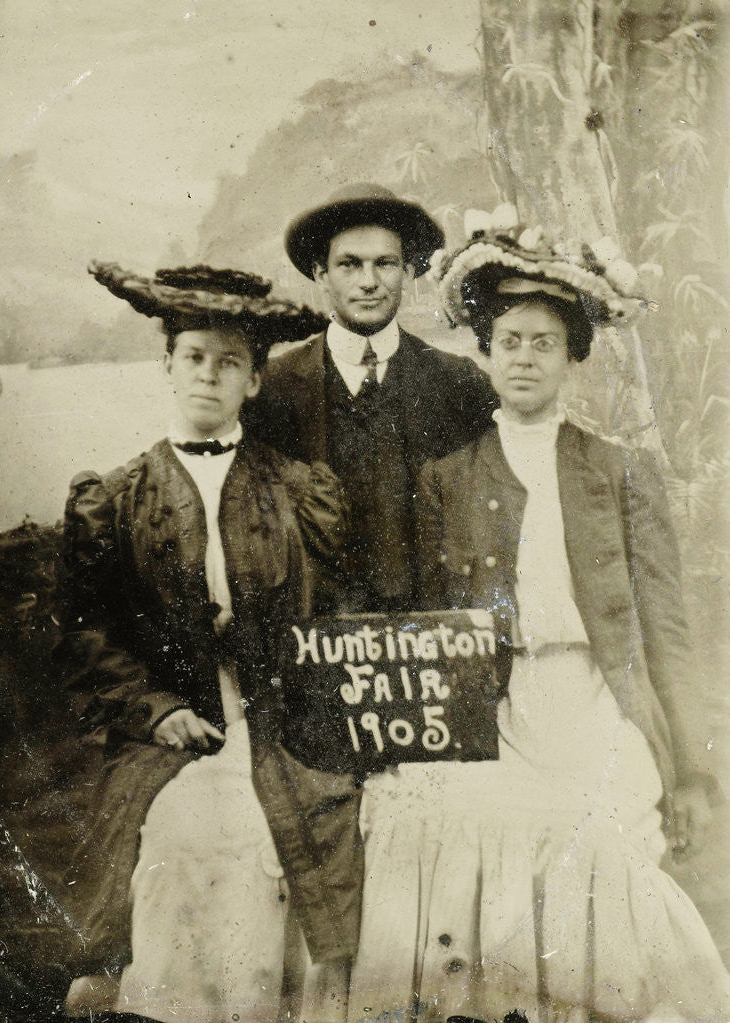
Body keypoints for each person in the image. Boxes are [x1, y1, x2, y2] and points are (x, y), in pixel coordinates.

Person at [348, 209, 730, 1022]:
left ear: (571, 358)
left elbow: (666, 626)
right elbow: (420, 624)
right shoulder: (448, 477)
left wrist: (694, 768)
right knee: (476, 859)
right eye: (510, 341)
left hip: (599, 699)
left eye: (544, 343)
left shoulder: (617, 471)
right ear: (484, 353)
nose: (525, 358)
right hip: (497, 706)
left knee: (605, 840)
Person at [57, 263, 354, 1023]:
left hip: (280, 724)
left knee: (281, 831)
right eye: (194, 357)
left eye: (229, 363)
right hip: (172, 732)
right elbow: (89, 637)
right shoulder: (117, 497)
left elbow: (332, 620)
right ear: (167, 365)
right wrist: (155, 710)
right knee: (186, 835)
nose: (208, 376)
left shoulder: (296, 490)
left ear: (254, 382)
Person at [244, 182, 498, 613]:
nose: (369, 282)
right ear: (321, 274)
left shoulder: (459, 384)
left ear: (408, 271)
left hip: (433, 632)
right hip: (318, 640)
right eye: (349, 264)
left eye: (385, 263)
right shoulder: (272, 390)